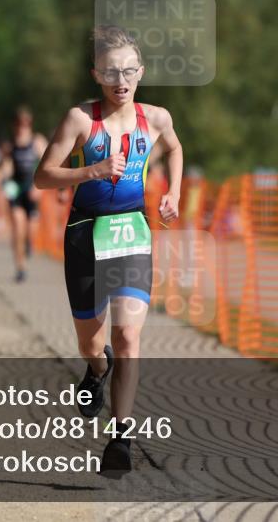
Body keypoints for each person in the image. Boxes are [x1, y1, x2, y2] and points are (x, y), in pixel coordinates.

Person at [34, 25, 183, 476]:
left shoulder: (155, 118)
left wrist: (173, 192)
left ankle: (121, 438)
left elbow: (175, 150)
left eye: (129, 70)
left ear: (142, 72)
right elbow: (43, 176)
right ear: (96, 73)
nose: (122, 79)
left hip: (132, 231)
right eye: (111, 71)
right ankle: (97, 371)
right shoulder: (81, 120)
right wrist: (93, 170)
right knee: (92, 343)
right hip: (84, 231)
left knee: (129, 337)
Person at [0, 107, 48, 283]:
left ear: (30, 124)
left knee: (30, 233)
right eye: (19, 124)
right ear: (15, 125)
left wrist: (39, 187)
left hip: (32, 188)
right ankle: (20, 268)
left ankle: (29, 245)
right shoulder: (10, 145)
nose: (22, 127)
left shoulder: (37, 142)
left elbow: (48, 164)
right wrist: (1, 178)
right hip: (16, 190)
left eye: (26, 124)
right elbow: (6, 166)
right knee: (18, 227)